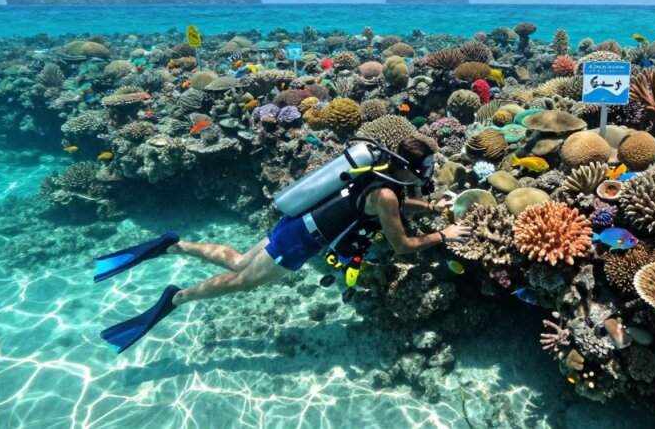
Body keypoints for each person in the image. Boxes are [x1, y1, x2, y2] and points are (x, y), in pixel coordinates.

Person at [94, 136, 472, 353]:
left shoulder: (376, 173)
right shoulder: (387, 195)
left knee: (240, 262)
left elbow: (392, 201)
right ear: (413, 169)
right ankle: (175, 299)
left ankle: (173, 246)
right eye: (425, 171)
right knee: (243, 281)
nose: (426, 177)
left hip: (293, 222)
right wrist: (443, 234)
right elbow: (403, 244)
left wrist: (431, 205)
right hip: (300, 242)